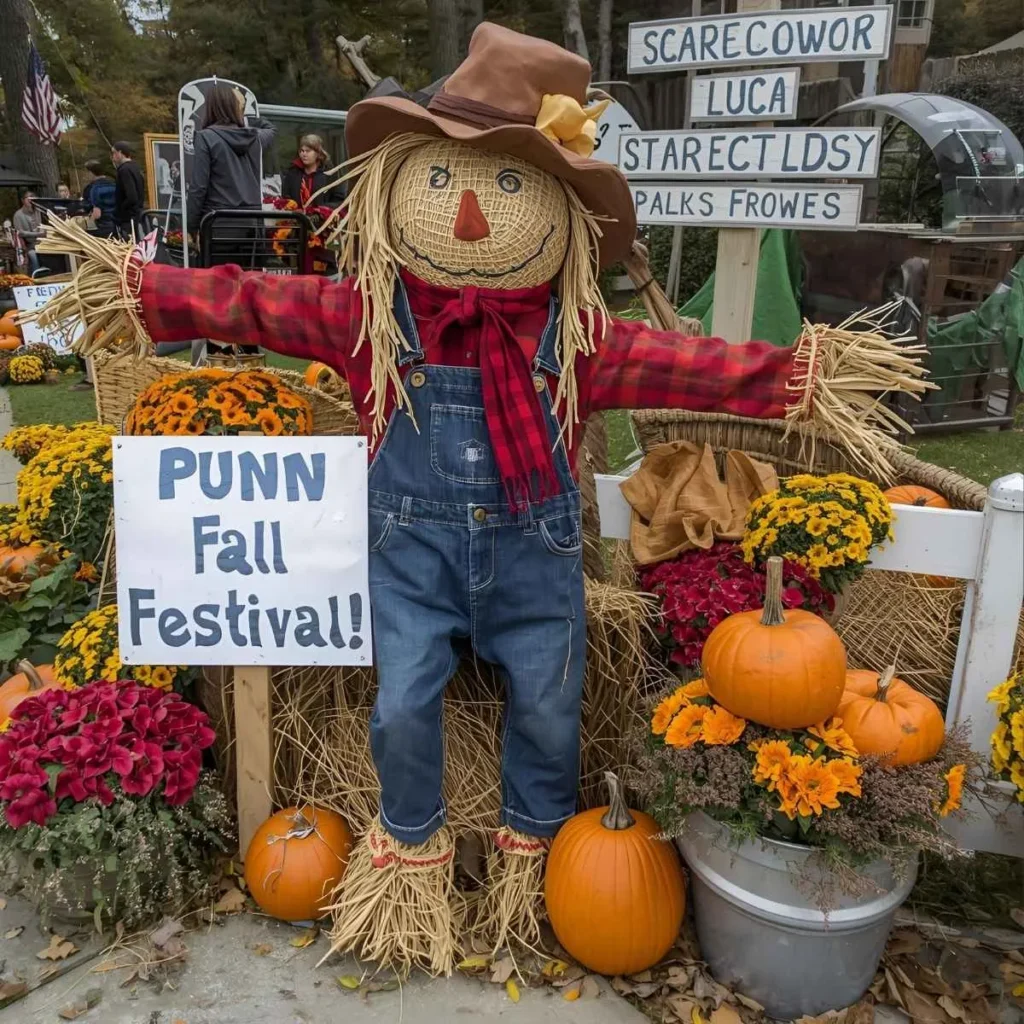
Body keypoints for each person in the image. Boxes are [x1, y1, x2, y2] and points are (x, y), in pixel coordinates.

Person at [187, 83, 276, 263]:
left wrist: (191, 228)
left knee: (217, 279)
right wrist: (246, 114)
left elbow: (198, 188)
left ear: (212, 106)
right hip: (253, 224)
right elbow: (271, 129)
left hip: (218, 224)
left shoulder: (205, 138)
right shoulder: (255, 137)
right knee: (248, 278)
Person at [281, 134, 343, 208]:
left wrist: (322, 209)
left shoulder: (329, 174)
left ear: (318, 153)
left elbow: (338, 200)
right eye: (302, 151)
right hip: (297, 214)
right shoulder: (292, 173)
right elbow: (285, 197)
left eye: (308, 151)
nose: (304, 154)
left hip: (322, 214)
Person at [111, 141, 145, 240]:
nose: (113, 156)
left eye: (114, 153)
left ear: (120, 153)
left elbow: (132, 196)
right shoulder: (135, 167)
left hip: (128, 218)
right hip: (136, 215)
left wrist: (120, 209)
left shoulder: (124, 170)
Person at [81, 159, 117, 238]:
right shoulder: (113, 184)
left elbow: (97, 214)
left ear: (91, 173)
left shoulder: (95, 189)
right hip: (116, 225)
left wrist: (88, 224)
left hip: (102, 227)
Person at [12, 190, 44, 274]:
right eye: (28, 197)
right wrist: (38, 234)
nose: (31, 199)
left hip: (42, 243)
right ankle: (36, 276)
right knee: (33, 256)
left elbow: (43, 227)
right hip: (28, 246)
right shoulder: (18, 215)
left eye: (32, 197)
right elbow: (20, 233)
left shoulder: (39, 211)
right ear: (22, 200)